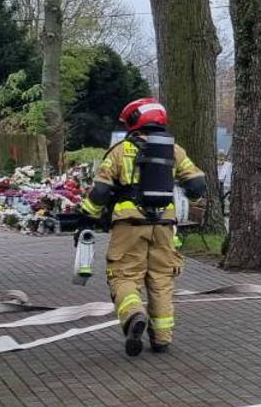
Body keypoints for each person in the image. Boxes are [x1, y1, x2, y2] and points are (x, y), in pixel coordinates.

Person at [81, 98, 208, 356]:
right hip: (164, 225)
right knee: (162, 280)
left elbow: (101, 191)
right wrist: (195, 204)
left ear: (134, 121)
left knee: (124, 276)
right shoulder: (175, 151)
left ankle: (134, 314)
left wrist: (88, 216)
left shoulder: (120, 151)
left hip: (129, 225)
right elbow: (197, 186)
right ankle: (161, 338)